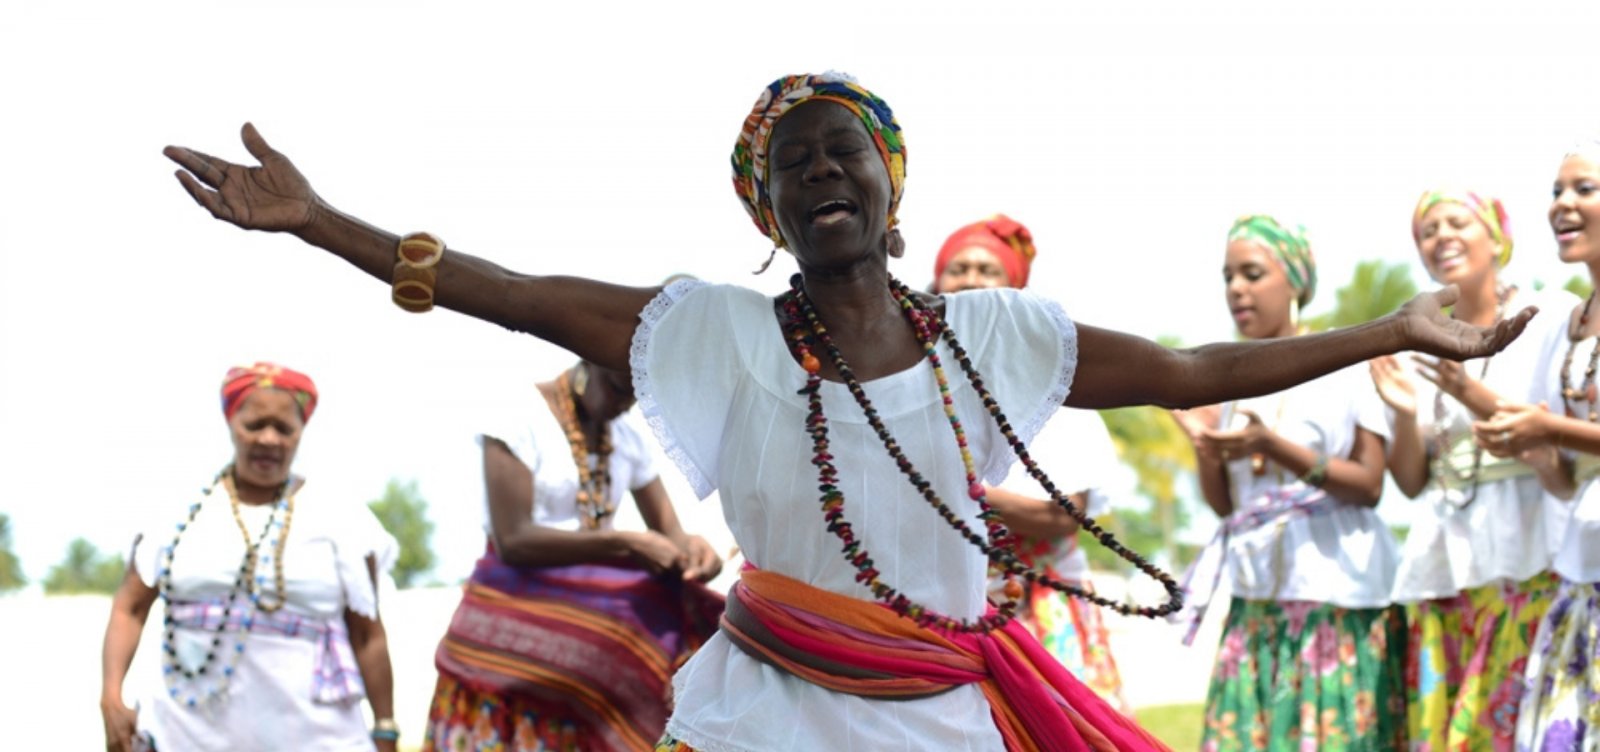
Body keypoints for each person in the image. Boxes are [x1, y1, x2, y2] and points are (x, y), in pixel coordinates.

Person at [164, 71, 1531, 752]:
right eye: (794, 162)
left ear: (890, 191)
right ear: (769, 209)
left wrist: (1394, 328)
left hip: (938, 714)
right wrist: (319, 224)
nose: (824, 170)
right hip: (758, 707)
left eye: (846, 153)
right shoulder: (716, 331)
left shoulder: (993, 332)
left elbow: (1187, 372)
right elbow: (510, 289)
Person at [1170, 216, 1405, 751]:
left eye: (1252, 273)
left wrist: (1272, 446)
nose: (1236, 289)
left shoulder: (1346, 364)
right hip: (1256, 609)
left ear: (1296, 280)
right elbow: (1228, 505)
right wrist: (1205, 445)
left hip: (1333, 602)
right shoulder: (1230, 375)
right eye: (1228, 276)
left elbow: (1369, 485)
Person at [424, 361, 724, 751]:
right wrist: (625, 544)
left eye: (634, 395)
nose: (624, 404)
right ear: (588, 363)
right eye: (618, 388)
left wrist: (696, 551)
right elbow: (513, 539)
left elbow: (672, 535)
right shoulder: (517, 414)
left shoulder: (624, 436)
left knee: (704, 622)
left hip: (585, 642)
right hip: (510, 617)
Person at [99, 362, 400, 752]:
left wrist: (386, 728)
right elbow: (130, 607)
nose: (269, 439)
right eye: (255, 425)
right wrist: (110, 694)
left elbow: (367, 635)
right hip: (185, 736)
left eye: (284, 428)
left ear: (301, 432)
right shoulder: (177, 511)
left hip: (316, 738)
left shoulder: (344, 519)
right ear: (231, 423)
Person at [1368, 190, 1575, 750]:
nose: (1442, 237)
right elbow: (1411, 482)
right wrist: (1407, 416)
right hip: (1449, 564)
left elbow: (1562, 435)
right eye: (1428, 231)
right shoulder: (1419, 339)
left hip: (1531, 555)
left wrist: (1469, 391)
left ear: (1496, 236)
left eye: (1457, 221)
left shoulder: (1551, 313)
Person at [933, 214, 1133, 714]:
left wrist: (956, 488)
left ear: (1015, 290)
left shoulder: (1057, 389)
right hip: (942, 609)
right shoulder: (912, 385)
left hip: (1042, 612)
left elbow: (1064, 517)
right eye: (958, 269)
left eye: (987, 269)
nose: (972, 280)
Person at [1473, 140, 1600, 750]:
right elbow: (1563, 480)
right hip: (1578, 586)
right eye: (1556, 191)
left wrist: (1548, 429)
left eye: (1584, 189)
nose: (1563, 204)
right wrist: (1519, 439)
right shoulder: (1564, 323)